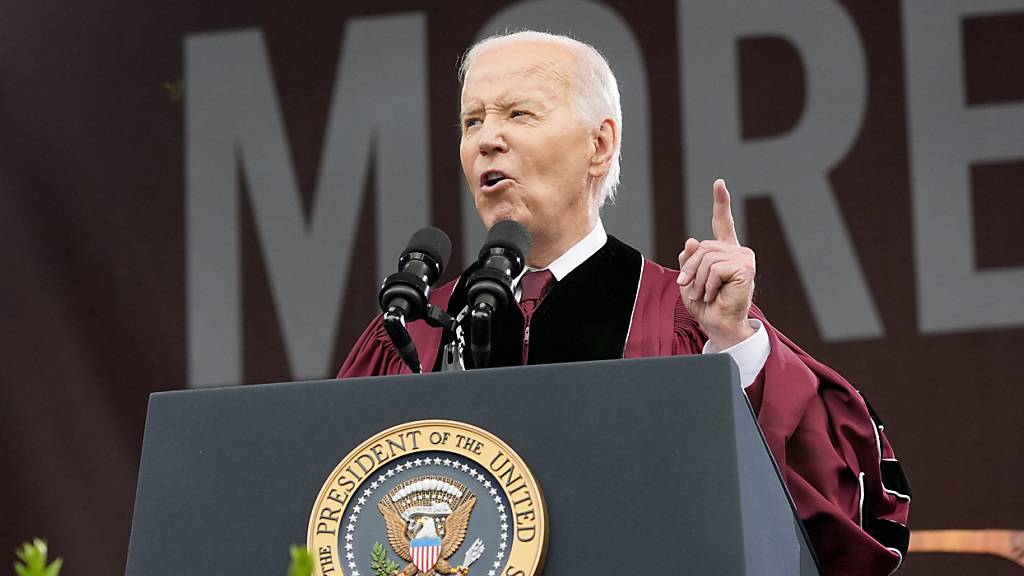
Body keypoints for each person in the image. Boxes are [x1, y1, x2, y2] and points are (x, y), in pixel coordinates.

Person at [340, 31, 910, 575]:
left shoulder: (687, 318)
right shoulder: (414, 333)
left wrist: (735, 347)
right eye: (472, 120)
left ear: (600, 144)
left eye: (519, 114)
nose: (487, 138)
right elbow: (326, 513)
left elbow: (848, 510)